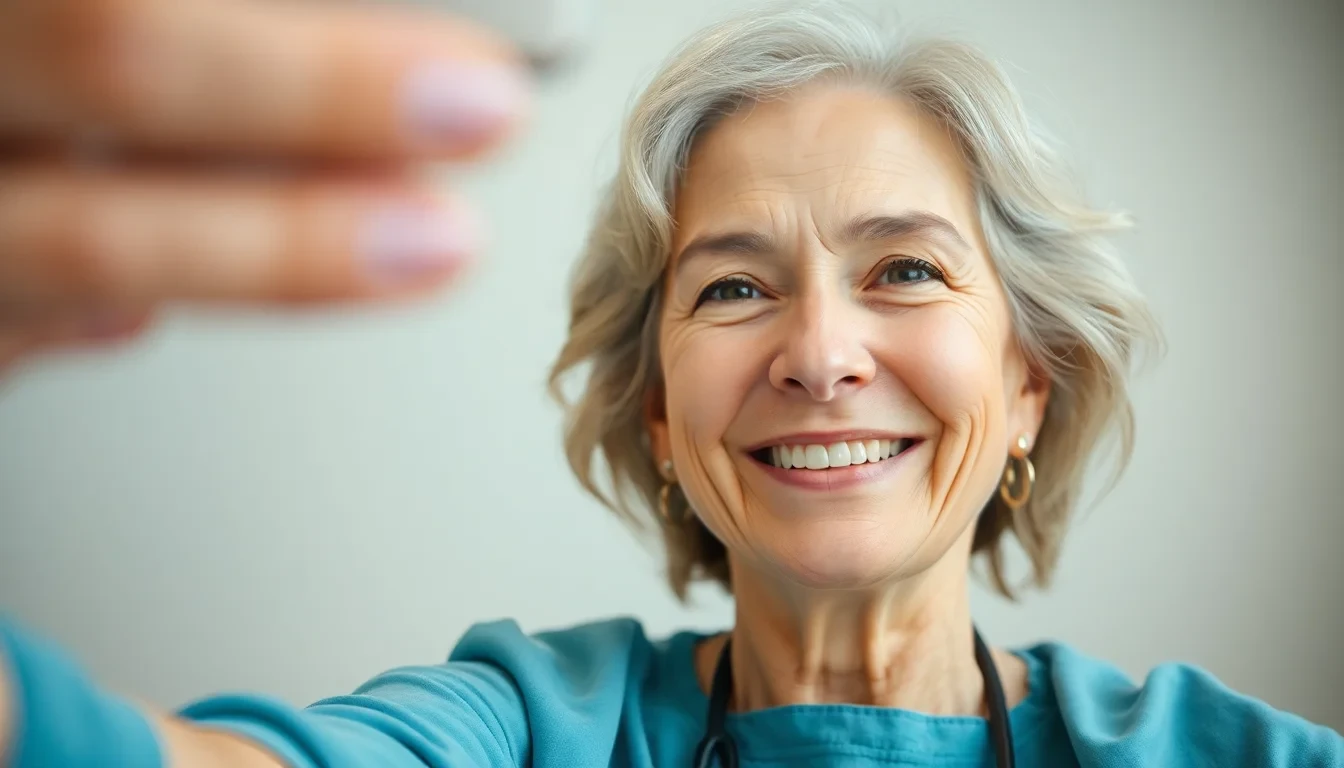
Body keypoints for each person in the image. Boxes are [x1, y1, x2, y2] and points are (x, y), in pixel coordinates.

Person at [1, 2, 1341, 767]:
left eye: (909, 274)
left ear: (1032, 381)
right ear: (657, 408)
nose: (819, 355)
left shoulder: (1233, 756)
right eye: (733, 287)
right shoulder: (529, 726)